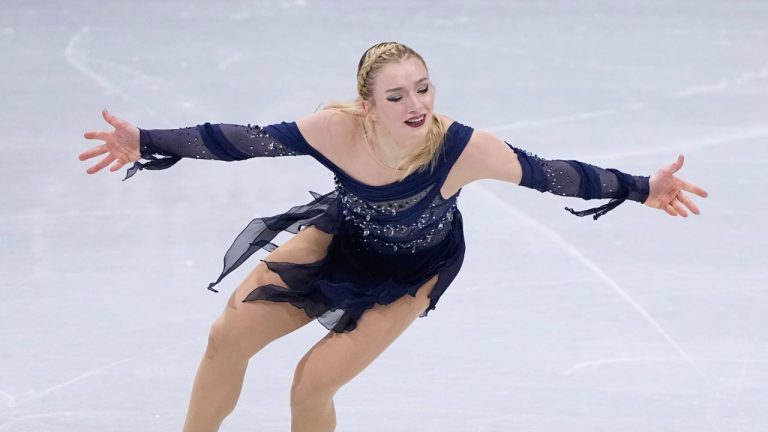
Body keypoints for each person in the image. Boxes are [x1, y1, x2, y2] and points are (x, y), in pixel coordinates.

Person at [79, 42, 708, 432]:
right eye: (397, 94)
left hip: (412, 270)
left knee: (311, 384)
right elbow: (240, 140)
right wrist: (147, 142)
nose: (416, 104)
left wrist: (640, 187)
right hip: (341, 237)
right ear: (367, 103)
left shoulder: (464, 149)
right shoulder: (336, 129)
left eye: (424, 88)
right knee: (225, 337)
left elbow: (554, 175)